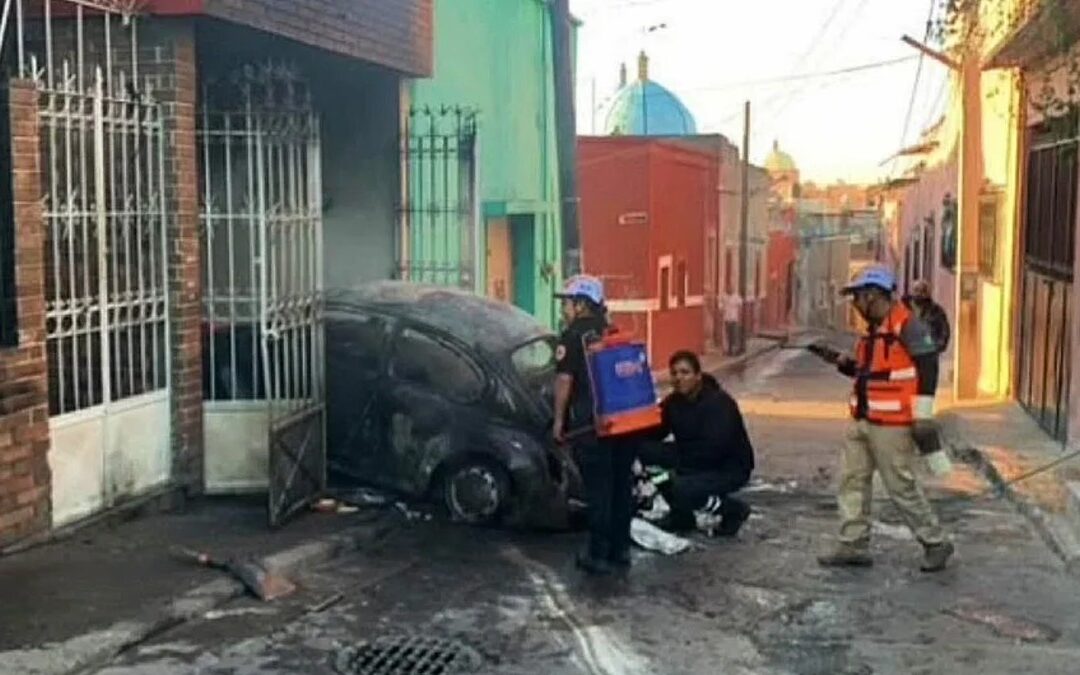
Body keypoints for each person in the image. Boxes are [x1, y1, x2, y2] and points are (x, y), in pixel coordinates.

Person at [816, 265, 954, 572]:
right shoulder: (874, 333)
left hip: (892, 424)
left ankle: (935, 541)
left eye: (857, 298)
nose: (854, 305)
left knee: (900, 486)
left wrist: (923, 414)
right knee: (852, 480)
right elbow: (869, 373)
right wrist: (840, 362)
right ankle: (852, 543)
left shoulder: (908, 325)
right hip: (863, 419)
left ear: (873, 295)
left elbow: (928, 366)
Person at [552, 275, 637, 575]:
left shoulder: (573, 335)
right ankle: (620, 550)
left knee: (599, 491)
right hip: (624, 422)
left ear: (581, 304)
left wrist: (559, 421)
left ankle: (598, 555)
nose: (564, 308)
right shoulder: (610, 330)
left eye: (567, 302)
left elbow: (564, 380)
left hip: (592, 425)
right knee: (620, 488)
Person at [639, 351, 755, 536]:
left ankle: (732, 510)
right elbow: (655, 431)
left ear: (698, 376)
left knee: (682, 487)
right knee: (646, 454)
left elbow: (716, 449)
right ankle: (681, 517)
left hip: (728, 468)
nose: (679, 378)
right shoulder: (673, 403)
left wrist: (680, 470)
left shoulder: (719, 403)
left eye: (685, 373)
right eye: (674, 373)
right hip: (690, 458)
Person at [903, 280, 950, 355]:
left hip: (928, 352)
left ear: (928, 293)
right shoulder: (903, 308)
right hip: (907, 352)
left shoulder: (936, 310)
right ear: (912, 291)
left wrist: (939, 346)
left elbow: (944, 330)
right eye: (916, 290)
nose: (919, 293)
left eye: (923, 291)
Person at [723, 291, 743, 356]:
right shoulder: (724, 296)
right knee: (728, 335)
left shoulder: (736, 297)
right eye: (728, 288)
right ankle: (729, 350)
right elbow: (721, 306)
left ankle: (737, 350)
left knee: (735, 335)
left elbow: (740, 306)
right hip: (727, 319)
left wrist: (739, 316)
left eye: (731, 288)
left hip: (734, 319)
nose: (729, 289)